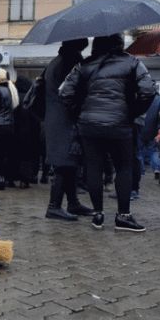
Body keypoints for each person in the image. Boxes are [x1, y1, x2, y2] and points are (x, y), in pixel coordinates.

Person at [59, 34, 157, 232]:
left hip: (89, 125)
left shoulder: (84, 64)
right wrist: (132, 112)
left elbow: (64, 92)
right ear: (120, 44)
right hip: (120, 125)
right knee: (123, 169)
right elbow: (148, 90)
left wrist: (79, 112)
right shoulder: (132, 62)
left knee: (94, 168)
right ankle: (123, 217)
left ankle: (98, 215)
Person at [42, 39, 94, 221]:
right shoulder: (69, 61)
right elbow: (73, 91)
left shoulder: (59, 59)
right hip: (64, 118)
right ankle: (54, 207)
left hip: (56, 118)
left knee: (70, 163)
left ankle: (73, 203)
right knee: (63, 163)